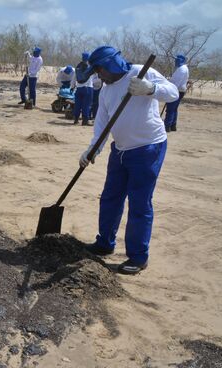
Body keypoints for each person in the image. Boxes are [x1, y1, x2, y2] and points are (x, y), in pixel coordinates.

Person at [78, 46, 178, 275]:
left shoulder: (141, 73)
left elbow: (172, 92)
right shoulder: (105, 91)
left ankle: (138, 257)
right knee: (110, 197)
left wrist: (150, 89)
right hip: (120, 150)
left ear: (111, 65)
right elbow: (102, 125)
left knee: (139, 203)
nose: (99, 75)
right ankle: (104, 242)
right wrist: (92, 150)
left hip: (147, 148)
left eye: (100, 70)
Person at [164, 54, 189, 132]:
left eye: (176, 59)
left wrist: (170, 89)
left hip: (176, 90)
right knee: (174, 109)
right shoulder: (182, 68)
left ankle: (167, 126)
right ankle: (173, 126)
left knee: (170, 109)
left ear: (180, 60)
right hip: (179, 90)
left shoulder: (182, 69)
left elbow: (176, 82)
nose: (175, 61)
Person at [72, 52, 94, 125]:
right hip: (88, 88)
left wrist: (72, 87)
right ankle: (85, 121)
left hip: (78, 89)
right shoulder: (90, 67)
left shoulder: (78, 66)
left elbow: (74, 78)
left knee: (77, 105)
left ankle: (76, 120)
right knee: (86, 105)